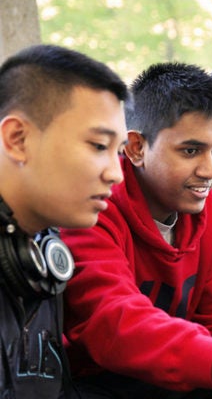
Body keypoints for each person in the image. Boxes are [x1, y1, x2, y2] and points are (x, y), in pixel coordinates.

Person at [59, 62, 212, 399]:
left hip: (183, 376)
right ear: (136, 147)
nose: (210, 170)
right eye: (190, 150)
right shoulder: (91, 208)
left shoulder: (205, 206)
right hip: (97, 382)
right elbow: (115, 324)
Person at [0, 44, 128, 398]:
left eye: (118, 153)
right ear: (18, 139)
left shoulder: (41, 254)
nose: (117, 174)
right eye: (98, 146)